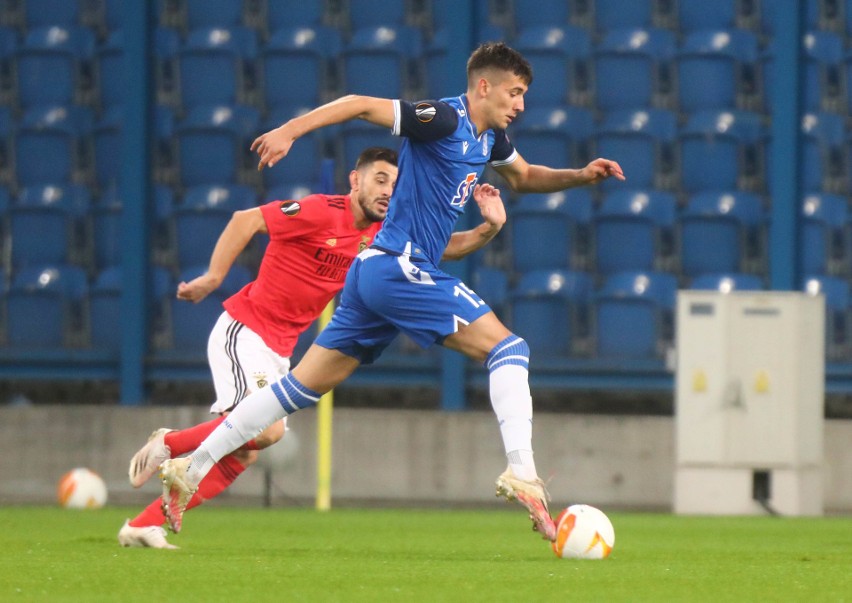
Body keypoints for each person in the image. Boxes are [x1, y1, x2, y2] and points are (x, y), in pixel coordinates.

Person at [159, 42, 624, 541]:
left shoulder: (490, 140)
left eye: (524, 95)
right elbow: (359, 102)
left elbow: (527, 177)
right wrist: (288, 131)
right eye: (514, 92)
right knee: (510, 348)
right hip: (399, 267)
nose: (520, 104)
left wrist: (581, 175)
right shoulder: (443, 118)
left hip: (373, 272)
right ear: (483, 86)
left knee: (294, 390)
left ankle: (192, 466)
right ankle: (522, 471)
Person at [118, 147, 505, 548]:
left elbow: (441, 248)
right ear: (356, 181)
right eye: (380, 179)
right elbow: (245, 220)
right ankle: (170, 444)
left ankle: (141, 525)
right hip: (245, 331)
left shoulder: (384, 234)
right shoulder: (321, 211)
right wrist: (214, 277)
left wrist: (486, 230)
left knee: (244, 453)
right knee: (268, 432)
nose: (389, 191)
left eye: (397, 183)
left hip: (279, 350)